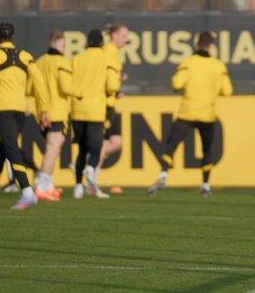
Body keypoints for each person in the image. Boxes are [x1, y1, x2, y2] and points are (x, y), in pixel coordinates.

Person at [0, 22, 50, 210]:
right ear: (13, 37)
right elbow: (40, 83)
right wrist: (44, 111)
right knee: (0, 149)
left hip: (3, 110)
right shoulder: (25, 56)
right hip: (20, 111)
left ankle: (27, 193)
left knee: (11, 149)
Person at [147, 31, 233, 197]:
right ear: (210, 46)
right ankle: (206, 185)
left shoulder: (189, 62)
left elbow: (177, 84)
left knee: (171, 146)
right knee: (207, 150)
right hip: (207, 115)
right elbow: (228, 90)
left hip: (187, 112)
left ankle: (163, 174)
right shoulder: (218, 65)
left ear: (197, 44)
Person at [30, 30, 79, 200]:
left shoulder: (39, 62)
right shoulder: (62, 62)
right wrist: (80, 92)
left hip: (42, 111)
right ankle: (41, 186)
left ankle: (48, 184)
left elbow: (29, 88)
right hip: (56, 112)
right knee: (52, 149)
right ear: (62, 45)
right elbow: (66, 87)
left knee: (53, 148)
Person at [71, 29, 119, 199]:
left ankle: (78, 186)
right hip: (95, 109)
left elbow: (70, 82)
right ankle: (90, 169)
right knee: (96, 147)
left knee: (82, 149)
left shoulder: (77, 59)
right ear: (101, 42)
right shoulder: (107, 59)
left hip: (77, 109)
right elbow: (112, 85)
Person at [96, 23, 129, 188]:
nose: (127, 39)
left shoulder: (113, 52)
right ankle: (90, 175)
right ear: (114, 36)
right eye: (124, 36)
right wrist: (115, 88)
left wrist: (117, 87)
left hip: (110, 101)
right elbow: (105, 78)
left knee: (116, 142)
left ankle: (88, 165)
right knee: (103, 143)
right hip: (105, 104)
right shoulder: (109, 50)